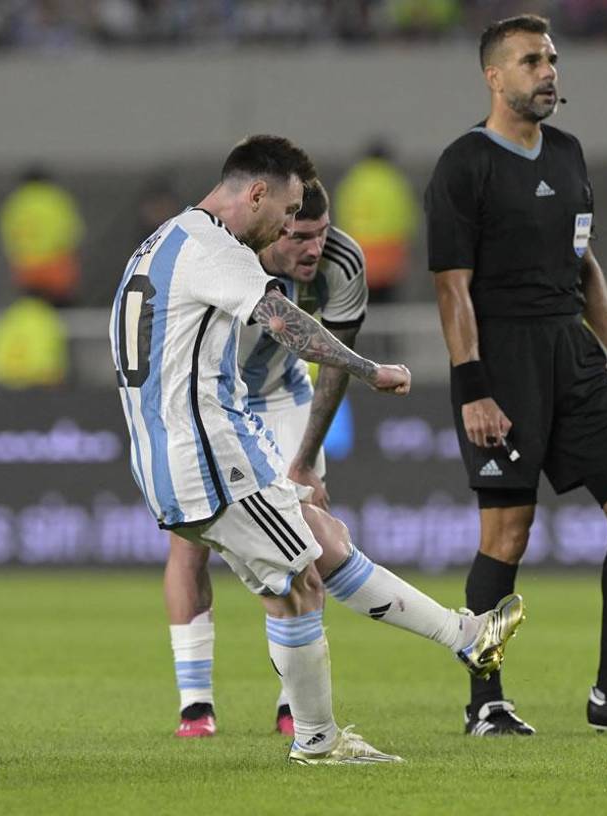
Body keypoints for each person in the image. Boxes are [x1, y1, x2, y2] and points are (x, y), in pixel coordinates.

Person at [111, 135, 519, 765]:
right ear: (256, 193)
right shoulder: (216, 248)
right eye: (287, 209)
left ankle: (464, 635)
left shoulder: (163, 242)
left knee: (321, 540)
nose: (289, 226)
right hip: (210, 459)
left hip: (179, 455)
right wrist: (368, 369)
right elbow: (282, 322)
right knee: (301, 581)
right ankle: (318, 743)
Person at [426, 14, 607, 737]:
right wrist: (474, 386)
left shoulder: (570, 155)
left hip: (572, 354)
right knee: (507, 534)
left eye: (551, 59)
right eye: (530, 61)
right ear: (494, 76)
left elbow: (585, 266)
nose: (547, 72)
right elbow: (452, 289)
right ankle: (485, 701)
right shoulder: (464, 164)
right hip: (503, 361)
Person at [333, 139, 419, 303]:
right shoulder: (395, 181)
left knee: (361, 306)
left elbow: (341, 215)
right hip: (390, 253)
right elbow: (408, 219)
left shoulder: (353, 181)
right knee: (387, 309)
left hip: (358, 253)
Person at [0, 165, 84, 307]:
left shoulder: (15, 203)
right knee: (61, 312)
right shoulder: (56, 199)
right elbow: (72, 234)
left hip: (26, 268)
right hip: (55, 267)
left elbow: (8, 236)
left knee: (31, 311)